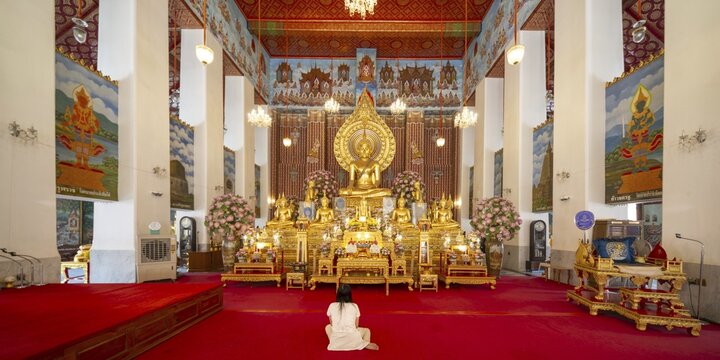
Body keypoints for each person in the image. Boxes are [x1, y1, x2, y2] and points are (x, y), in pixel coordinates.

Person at [325, 284, 379, 351]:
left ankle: (340, 343)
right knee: (367, 331)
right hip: (353, 338)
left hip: (336, 341)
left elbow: (332, 324)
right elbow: (356, 326)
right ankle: (363, 344)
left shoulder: (332, 305)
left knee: (328, 327)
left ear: (337, 294)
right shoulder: (354, 306)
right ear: (350, 294)